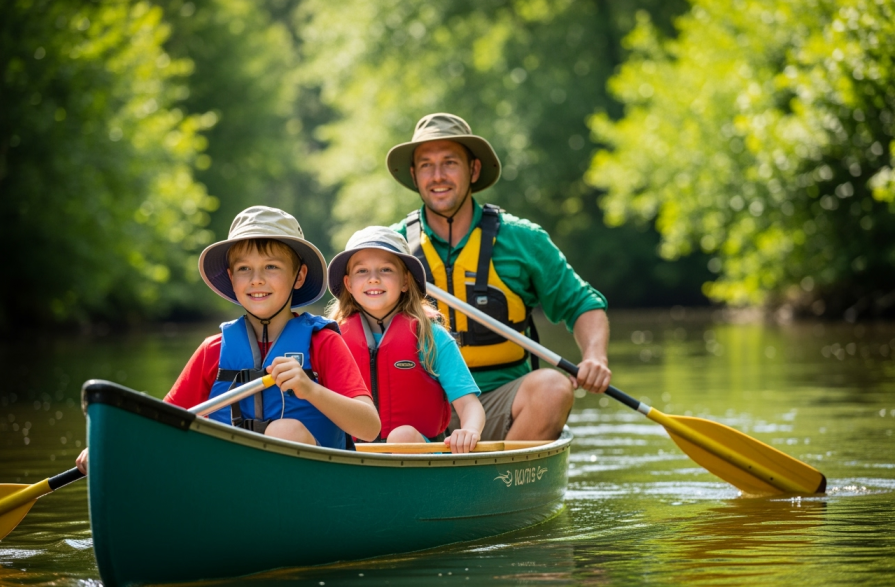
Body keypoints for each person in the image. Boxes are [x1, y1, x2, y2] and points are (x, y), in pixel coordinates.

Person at [77, 206, 379, 473]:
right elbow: (161, 424)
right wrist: (111, 447)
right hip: (232, 481)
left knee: (286, 431)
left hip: (317, 485)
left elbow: (369, 426)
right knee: (195, 438)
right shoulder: (214, 350)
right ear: (231, 278)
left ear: (298, 277)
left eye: (271, 267)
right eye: (244, 269)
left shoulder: (322, 343)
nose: (256, 279)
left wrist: (310, 389)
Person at [387, 113, 612, 442]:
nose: (438, 176)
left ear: (473, 169)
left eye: (450, 162)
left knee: (553, 387)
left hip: (499, 404)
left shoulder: (522, 239)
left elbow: (582, 303)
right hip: (417, 409)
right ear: (414, 174)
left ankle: (496, 479)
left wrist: (595, 356)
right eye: (426, 165)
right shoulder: (390, 250)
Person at [326, 226, 485, 453]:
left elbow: (470, 404)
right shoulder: (332, 339)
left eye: (386, 270)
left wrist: (470, 430)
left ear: (405, 282)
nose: (373, 279)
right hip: (353, 455)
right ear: (349, 284)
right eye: (362, 271)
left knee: (402, 435)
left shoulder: (431, 336)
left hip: (416, 452)